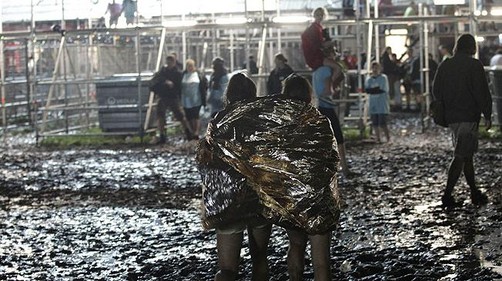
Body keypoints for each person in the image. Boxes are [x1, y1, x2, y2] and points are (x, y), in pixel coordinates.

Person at [197, 73, 272, 281]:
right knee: (260, 260)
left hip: (227, 199)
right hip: (259, 198)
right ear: (253, 94)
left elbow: (207, 160)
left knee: (227, 270)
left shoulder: (218, 121)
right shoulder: (262, 121)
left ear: (228, 95)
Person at [281, 74, 339, 281]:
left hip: (291, 195)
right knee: (321, 259)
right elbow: (333, 159)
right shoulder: (321, 122)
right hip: (319, 196)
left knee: (295, 245)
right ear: (308, 95)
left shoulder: (281, 126)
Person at [432, 33, 492, 207]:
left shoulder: (445, 65)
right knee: (461, 155)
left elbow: (436, 90)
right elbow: (482, 92)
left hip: (452, 117)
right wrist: (487, 114)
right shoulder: (474, 65)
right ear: (472, 47)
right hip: (468, 116)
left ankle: (474, 192)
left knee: (466, 155)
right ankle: (447, 195)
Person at [312, 46, 351, 176]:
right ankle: (344, 167)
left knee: (322, 138)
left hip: (319, 106)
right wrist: (334, 88)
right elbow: (328, 90)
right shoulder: (327, 70)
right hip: (327, 106)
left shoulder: (316, 71)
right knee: (339, 138)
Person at [149, 55, 196, 143]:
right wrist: (164, 82)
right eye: (168, 62)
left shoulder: (177, 73)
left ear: (174, 62)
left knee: (180, 116)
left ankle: (188, 133)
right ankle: (162, 134)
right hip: (163, 96)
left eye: (170, 62)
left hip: (173, 97)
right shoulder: (162, 72)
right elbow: (154, 81)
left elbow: (180, 86)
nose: (169, 64)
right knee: (160, 116)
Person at [181, 59, 208, 138]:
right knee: (188, 116)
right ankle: (191, 131)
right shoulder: (183, 75)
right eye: (188, 66)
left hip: (197, 98)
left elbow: (204, 84)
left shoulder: (199, 74)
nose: (190, 68)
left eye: (191, 66)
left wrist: (204, 94)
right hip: (185, 99)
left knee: (195, 115)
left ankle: (196, 132)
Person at [365, 61, 391, 143]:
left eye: (377, 68)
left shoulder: (383, 78)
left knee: (382, 122)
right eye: (373, 68)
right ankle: (378, 138)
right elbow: (367, 90)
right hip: (373, 103)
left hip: (381, 103)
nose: (375, 70)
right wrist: (374, 90)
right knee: (375, 122)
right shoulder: (369, 79)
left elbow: (382, 89)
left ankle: (388, 138)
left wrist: (373, 90)